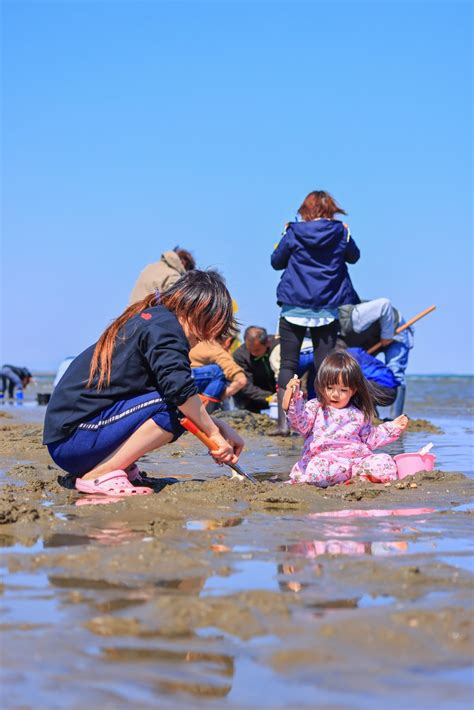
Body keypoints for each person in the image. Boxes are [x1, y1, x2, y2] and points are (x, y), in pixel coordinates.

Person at [43, 270, 244, 497]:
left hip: (72, 438)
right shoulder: (166, 328)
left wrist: (218, 428)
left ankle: (118, 466)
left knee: (175, 404)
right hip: (74, 440)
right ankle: (101, 474)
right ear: (199, 310)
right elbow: (178, 392)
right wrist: (215, 435)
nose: (198, 343)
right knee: (173, 406)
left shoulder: (156, 320)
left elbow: (170, 392)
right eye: (201, 335)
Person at [271, 190, 361, 435]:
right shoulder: (340, 231)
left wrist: (285, 232)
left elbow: (276, 261)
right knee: (323, 366)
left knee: (288, 364)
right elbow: (354, 257)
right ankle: (324, 420)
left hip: (293, 305)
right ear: (331, 209)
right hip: (327, 307)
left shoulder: (293, 232)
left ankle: (283, 424)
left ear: (305, 210)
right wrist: (346, 232)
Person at [285, 351, 408, 487]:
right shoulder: (315, 407)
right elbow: (299, 422)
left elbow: (370, 438)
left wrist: (393, 427)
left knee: (385, 461)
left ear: (353, 390)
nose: (336, 394)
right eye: (330, 388)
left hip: (355, 461)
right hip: (326, 460)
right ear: (321, 385)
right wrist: (295, 400)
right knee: (316, 468)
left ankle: (360, 480)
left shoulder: (359, 413)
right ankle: (328, 480)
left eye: (343, 390)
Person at [338, 298, 414, 416]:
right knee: (361, 374)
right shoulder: (331, 333)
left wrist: (386, 336)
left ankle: (396, 418)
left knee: (396, 372)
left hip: (395, 330)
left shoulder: (355, 315)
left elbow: (385, 304)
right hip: (370, 338)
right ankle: (372, 415)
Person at [189, 330, 247, 412]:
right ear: (228, 341)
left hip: (177, 378)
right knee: (219, 372)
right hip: (189, 380)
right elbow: (241, 380)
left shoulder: (196, 341)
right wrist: (222, 396)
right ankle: (207, 409)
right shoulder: (216, 349)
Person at [232, 326, 277, 413]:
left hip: (278, 392)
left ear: (267, 343)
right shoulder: (240, 355)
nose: (253, 353)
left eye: (257, 350)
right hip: (254, 398)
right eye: (250, 349)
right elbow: (246, 386)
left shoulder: (277, 346)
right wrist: (269, 397)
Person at [128, 247, 196, 305]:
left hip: (130, 315)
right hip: (148, 317)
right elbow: (177, 301)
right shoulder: (173, 275)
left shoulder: (150, 267)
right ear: (184, 264)